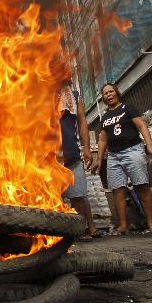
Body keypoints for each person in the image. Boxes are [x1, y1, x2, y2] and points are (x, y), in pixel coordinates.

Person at [93, 83, 152, 235]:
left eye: (111, 91)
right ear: (103, 98)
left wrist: (149, 144)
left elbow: (142, 126)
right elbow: (103, 139)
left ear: (117, 92)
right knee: (117, 190)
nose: (109, 95)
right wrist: (99, 160)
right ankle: (123, 225)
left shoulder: (127, 108)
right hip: (114, 155)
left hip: (133, 150)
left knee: (142, 186)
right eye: (105, 93)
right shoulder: (104, 117)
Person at [58, 84, 100, 240]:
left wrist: (87, 147)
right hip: (50, 157)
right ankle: (57, 233)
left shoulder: (74, 96)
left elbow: (82, 122)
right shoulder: (41, 92)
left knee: (78, 195)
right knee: (54, 196)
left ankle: (80, 230)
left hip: (72, 154)